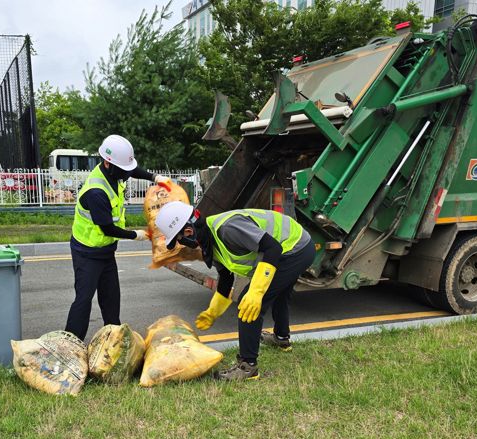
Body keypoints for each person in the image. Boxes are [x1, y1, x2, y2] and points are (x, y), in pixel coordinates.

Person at [155, 201, 315, 380]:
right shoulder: (211, 242)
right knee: (279, 293)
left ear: (188, 231)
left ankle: (248, 366)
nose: (181, 243)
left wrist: (256, 291)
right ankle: (281, 338)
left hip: (296, 247)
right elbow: (225, 278)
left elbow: (273, 248)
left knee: (249, 301)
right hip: (291, 247)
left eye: (178, 239)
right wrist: (212, 312)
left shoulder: (228, 229)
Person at [65, 134, 169, 341]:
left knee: (111, 297)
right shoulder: (97, 191)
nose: (127, 174)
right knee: (84, 299)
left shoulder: (114, 173)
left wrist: (155, 178)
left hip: (105, 250)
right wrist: (136, 235)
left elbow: (132, 169)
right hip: (87, 251)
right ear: (107, 162)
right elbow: (107, 228)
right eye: (123, 170)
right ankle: (70, 343)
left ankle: (114, 339)